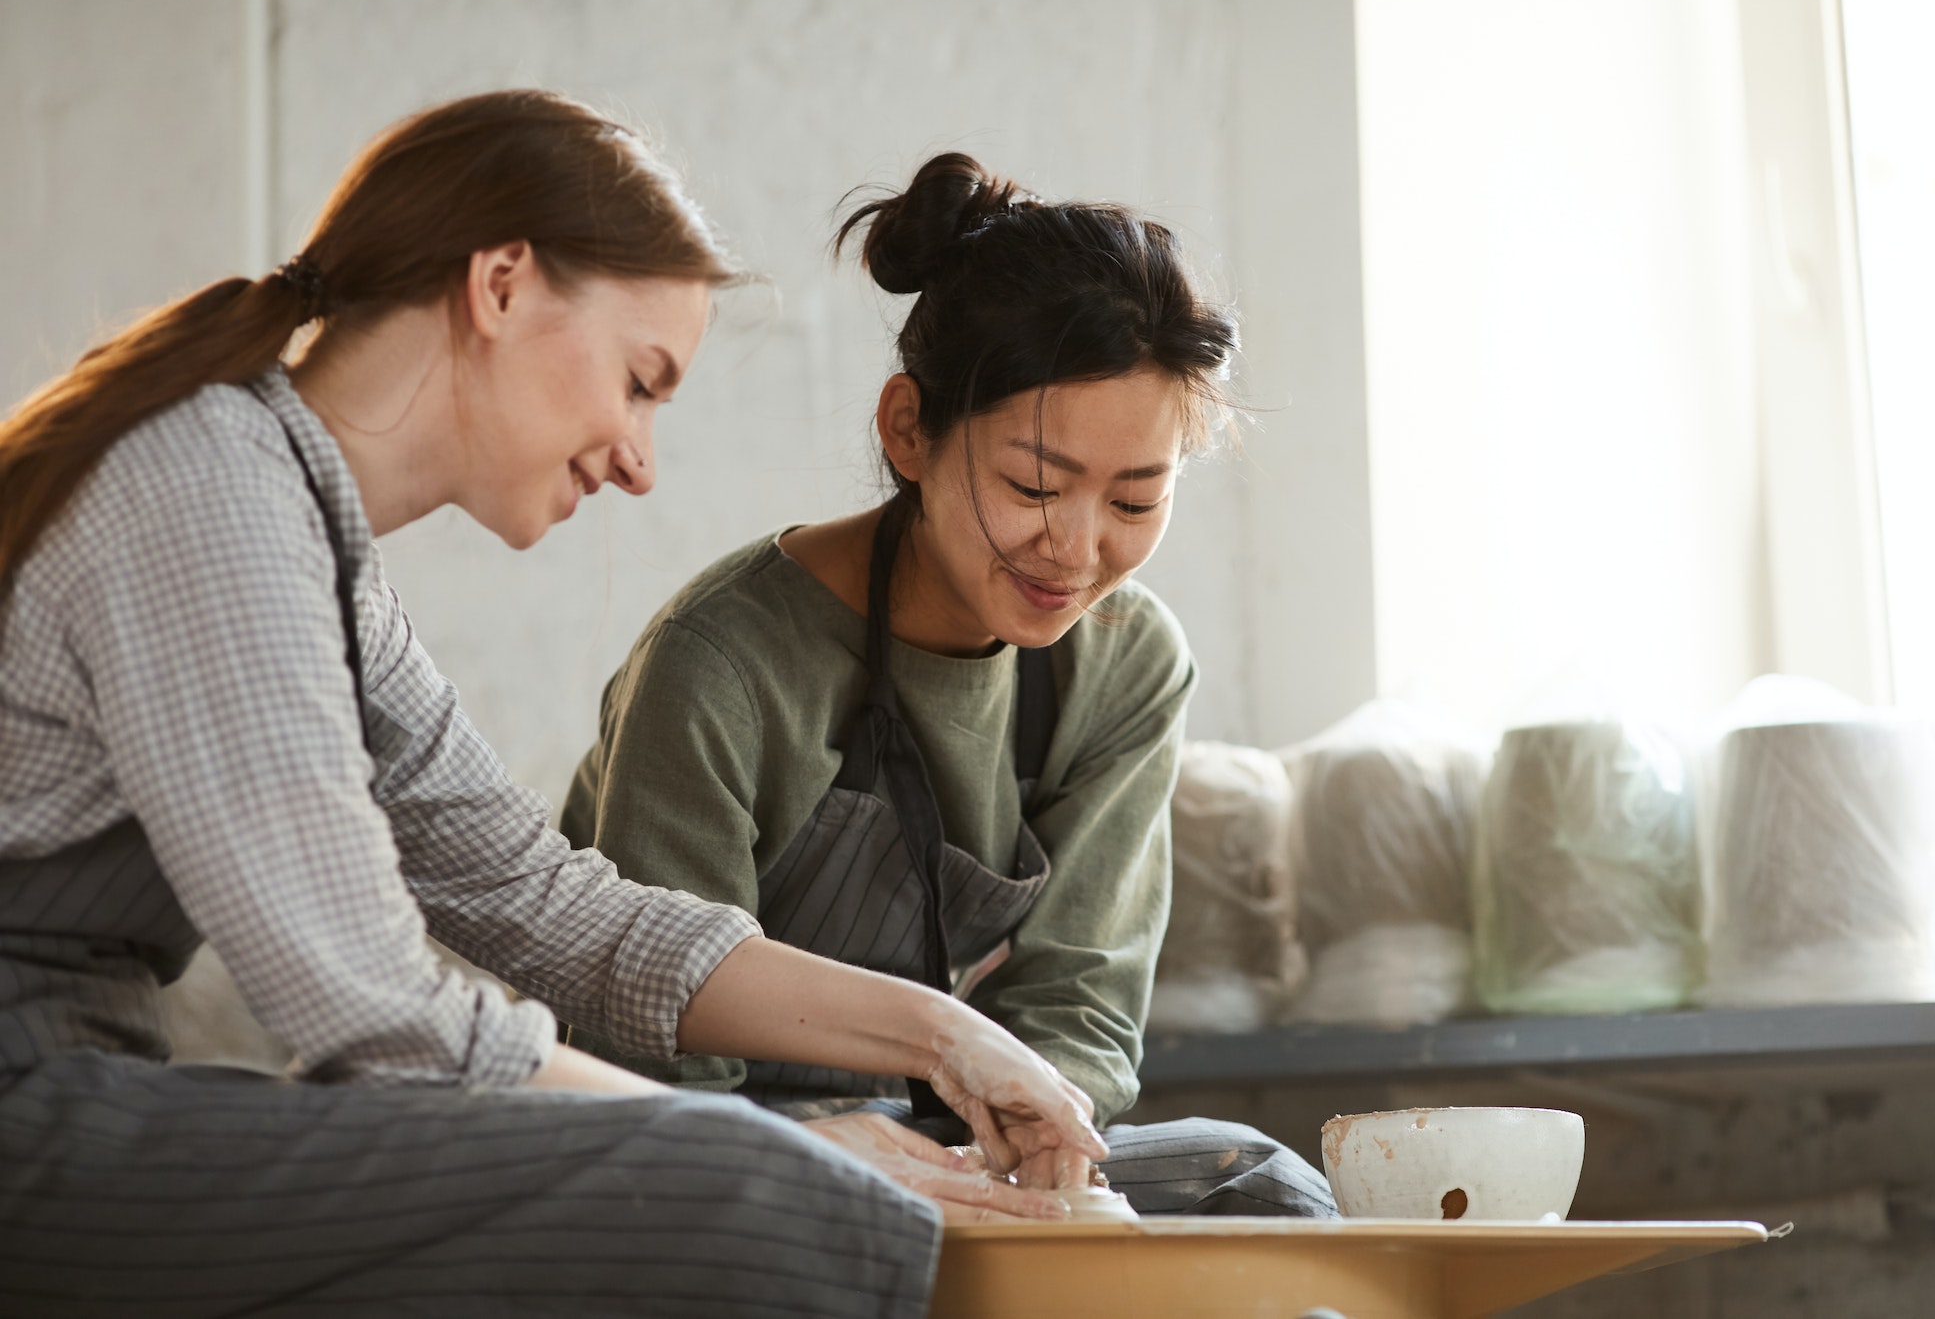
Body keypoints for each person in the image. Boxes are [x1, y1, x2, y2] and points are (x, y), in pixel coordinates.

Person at [0, 92, 1112, 1318]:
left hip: (79, 1093)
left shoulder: (312, 547)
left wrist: (943, 1037)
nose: (640, 458)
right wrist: (770, 1154)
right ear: (502, 287)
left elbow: (550, 907)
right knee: (747, 1196)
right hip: (32, 1120)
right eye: (640, 383)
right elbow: (372, 1009)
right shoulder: (209, 496)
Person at [561, 153, 1337, 1216]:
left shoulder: (1123, 662)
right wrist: (845, 1166)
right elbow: (648, 1042)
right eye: (1032, 484)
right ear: (906, 430)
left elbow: (1079, 999)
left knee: (1260, 1185)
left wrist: (1036, 1157)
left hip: (971, 1132)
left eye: (1133, 501)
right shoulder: (724, 660)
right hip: (710, 1141)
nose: (1074, 549)